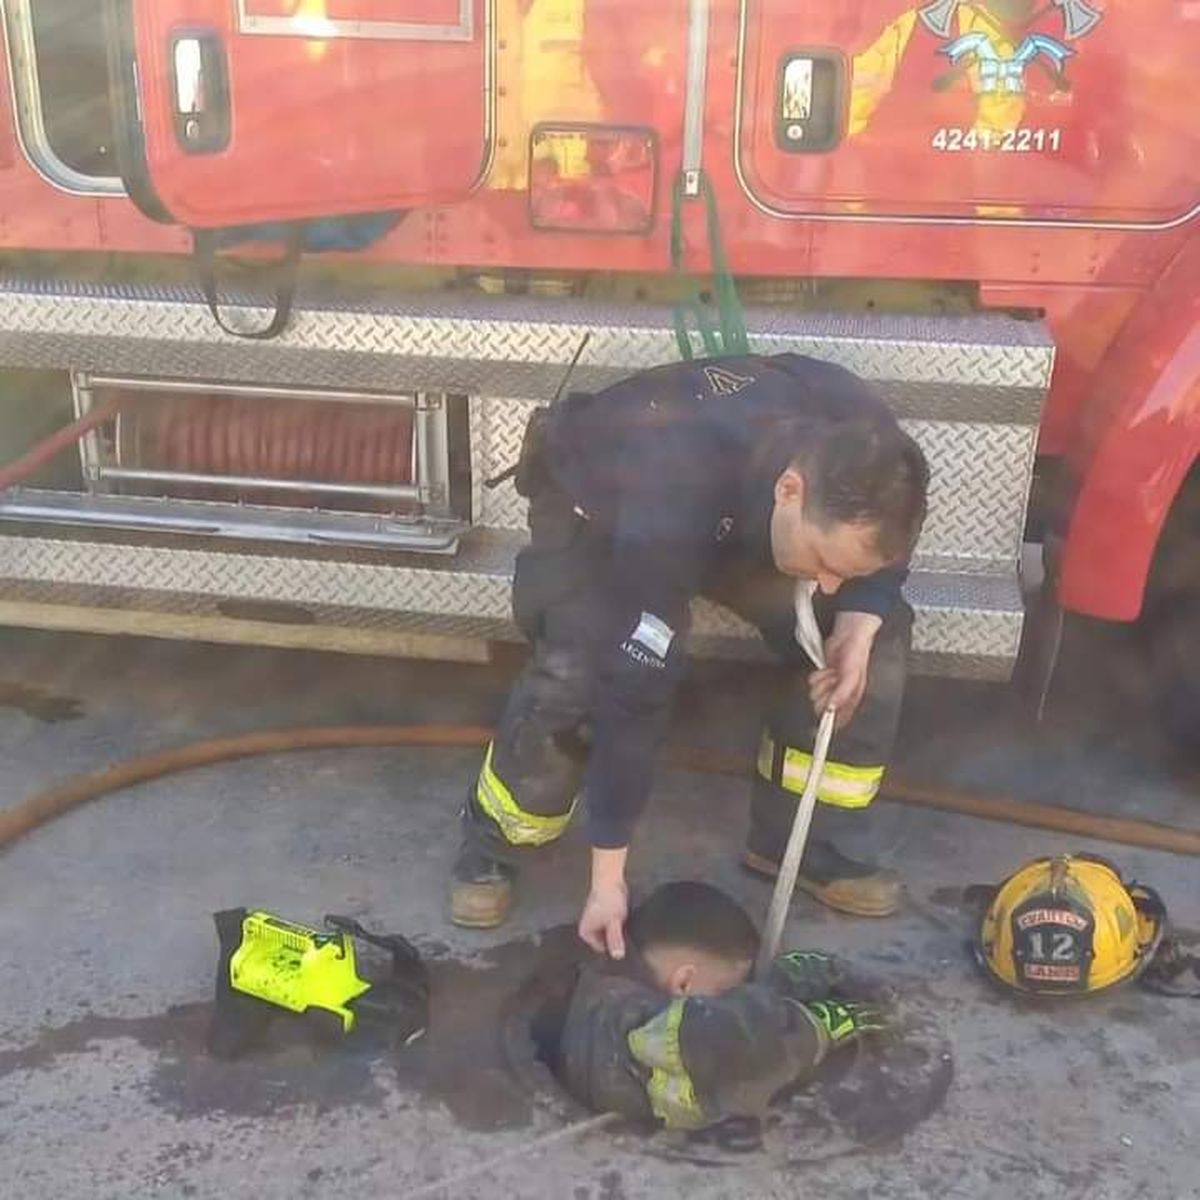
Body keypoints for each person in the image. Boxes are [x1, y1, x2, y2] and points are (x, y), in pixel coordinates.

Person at [450, 352, 930, 950]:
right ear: (790, 489)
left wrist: (859, 622)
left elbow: (889, 543)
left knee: (879, 641)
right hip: (602, 515)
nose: (827, 587)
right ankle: (498, 837)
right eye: (827, 567)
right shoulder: (673, 480)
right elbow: (637, 693)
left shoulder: (870, 449)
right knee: (580, 672)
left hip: (743, 525)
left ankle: (803, 846)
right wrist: (608, 882)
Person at [554, 881, 885, 1130]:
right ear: (684, 982)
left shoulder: (606, 980)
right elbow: (723, 1041)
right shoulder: (639, 1036)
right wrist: (808, 1029)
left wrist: (776, 986)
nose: (732, 999)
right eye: (728, 990)